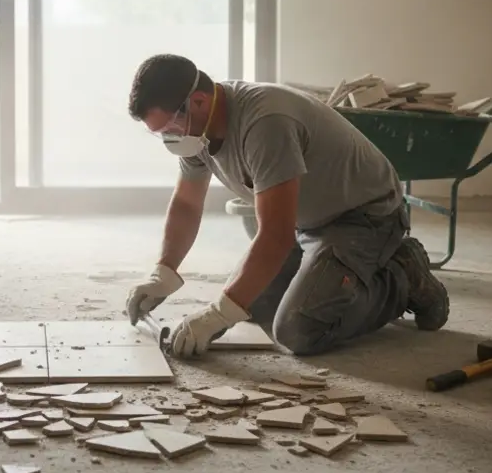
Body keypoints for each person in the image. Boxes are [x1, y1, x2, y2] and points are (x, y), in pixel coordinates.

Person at [123, 54, 449, 359]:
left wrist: (217, 316)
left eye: (169, 129)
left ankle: (403, 275)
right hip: (307, 221)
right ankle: (331, 271)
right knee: (256, 306)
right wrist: (163, 272)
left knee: (298, 330)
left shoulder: (266, 123)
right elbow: (186, 204)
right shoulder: (197, 131)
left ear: (197, 102)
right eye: (161, 134)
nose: (170, 139)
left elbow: (275, 236)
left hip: (364, 216)